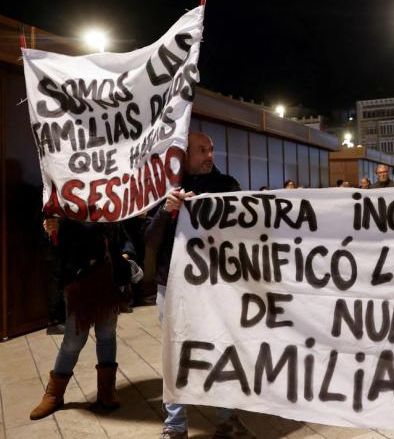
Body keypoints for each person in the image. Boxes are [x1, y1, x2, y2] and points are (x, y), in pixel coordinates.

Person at [146, 132, 254, 439]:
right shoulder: (165, 190)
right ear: (184, 154)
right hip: (174, 288)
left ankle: (227, 419)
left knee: (222, 349)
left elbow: (242, 234)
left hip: (217, 287)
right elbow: (151, 241)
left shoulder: (227, 186)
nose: (209, 155)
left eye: (212, 149)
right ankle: (175, 425)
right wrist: (167, 211)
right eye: (202, 150)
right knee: (175, 354)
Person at [30, 218, 139, 420]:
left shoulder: (109, 199)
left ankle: (106, 391)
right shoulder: (65, 206)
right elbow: (51, 250)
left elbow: (123, 234)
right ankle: (54, 394)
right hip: (78, 280)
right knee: (74, 339)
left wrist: (126, 255)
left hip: (110, 278)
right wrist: (53, 230)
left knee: (107, 334)